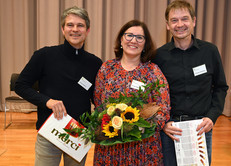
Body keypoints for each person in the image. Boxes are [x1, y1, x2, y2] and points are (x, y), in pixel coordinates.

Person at [15, 6, 102, 166]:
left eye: (80, 25)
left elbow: (97, 98)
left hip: (78, 134)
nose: (75, 29)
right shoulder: (44, 55)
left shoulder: (95, 63)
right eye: (70, 25)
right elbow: (20, 85)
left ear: (87, 30)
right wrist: (47, 101)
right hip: (50, 131)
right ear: (63, 29)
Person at [152, 1, 229, 165]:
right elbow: (153, 94)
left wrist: (212, 117)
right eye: (174, 20)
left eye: (185, 19)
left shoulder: (210, 51)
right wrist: (163, 123)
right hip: (171, 129)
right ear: (167, 25)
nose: (180, 24)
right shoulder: (158, 56)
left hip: (201, 127)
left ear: (194, 21)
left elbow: (221, 87)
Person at [93, 20, 171, 165]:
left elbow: (164, 107)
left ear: (144, 44)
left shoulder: (153, 72)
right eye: (129, 35)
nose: (133, 40)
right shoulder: (106, 68)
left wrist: (139, 128)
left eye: (139, 37)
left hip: (143, 145)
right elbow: (98, 104)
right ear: (121, 40)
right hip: (111, 145)